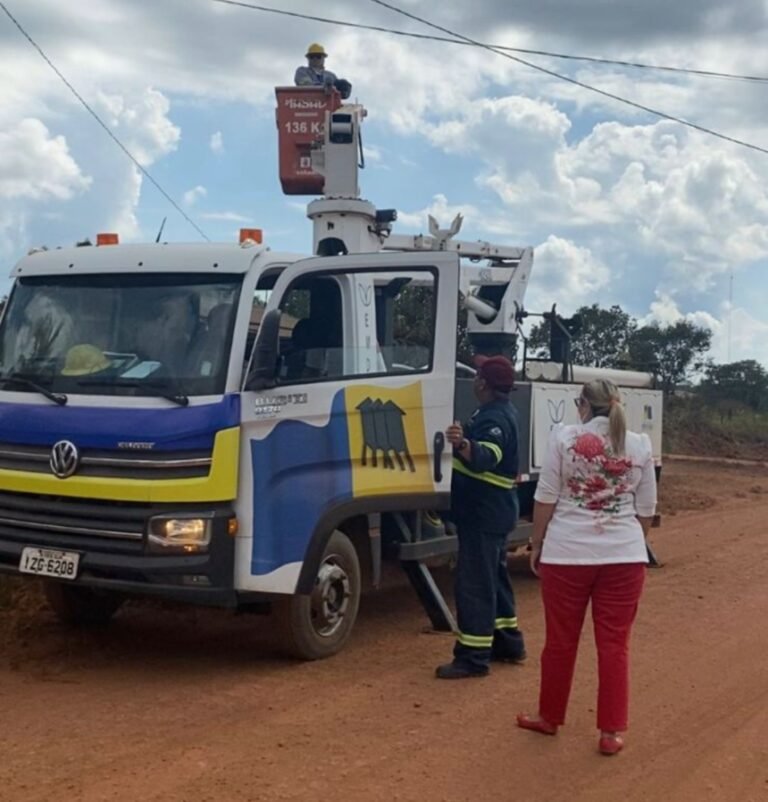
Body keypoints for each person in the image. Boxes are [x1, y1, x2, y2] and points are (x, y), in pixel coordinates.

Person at [517, 379, 657, 756]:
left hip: (567, 554)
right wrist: (627, 540)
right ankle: (611, 732)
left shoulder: (563, 438)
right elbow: (646, 509)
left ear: (582, 405)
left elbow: (545, 497)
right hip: (624, 557)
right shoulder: (640, 444)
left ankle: (550, 717)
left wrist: (537, 543)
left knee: (560, 642)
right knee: (615, 645)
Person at [435, 354, 526, 679]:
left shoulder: (496, 418)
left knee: (475, 585)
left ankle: (473, 657)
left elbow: (487, 455)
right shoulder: (493, 411)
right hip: (491, 513)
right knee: (494, 580)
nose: (473, 380)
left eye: (477, 376)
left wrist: (463, 445)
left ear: (484, 384)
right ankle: (507, 642)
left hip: (483, 515)